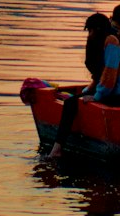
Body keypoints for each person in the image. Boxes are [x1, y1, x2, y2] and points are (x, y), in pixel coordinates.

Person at [47, 11, 113, 161]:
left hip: (111, 90)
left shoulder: (110, 44)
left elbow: (109, 77)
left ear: (97, 29)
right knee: (72, 101)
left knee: (71, 103)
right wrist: (88, 90)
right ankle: (57, 149)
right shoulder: (95, 44)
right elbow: (98, 76)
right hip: (101, 87)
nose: (88, 34)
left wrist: (96, 96)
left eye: (90, 31)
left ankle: (57, 149)